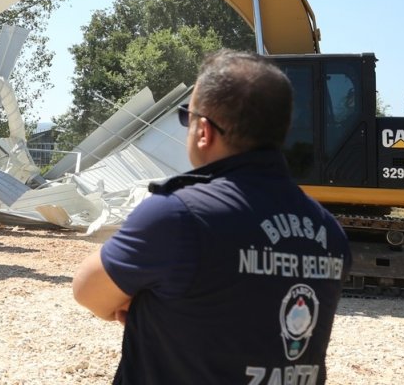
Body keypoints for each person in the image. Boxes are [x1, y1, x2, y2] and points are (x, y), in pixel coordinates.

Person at [72, 49, 351, 385]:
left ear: (203, 131)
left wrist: (146, 306)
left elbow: (88, 290)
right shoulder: (329, 230)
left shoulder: (178, 216)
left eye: (185, 118)